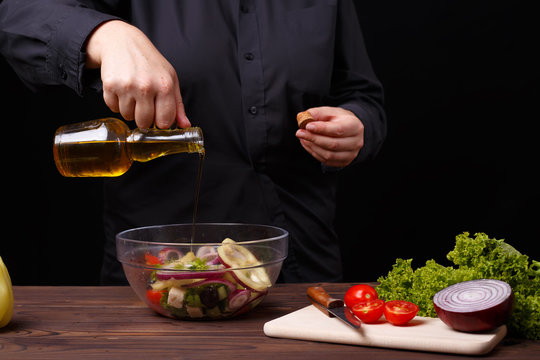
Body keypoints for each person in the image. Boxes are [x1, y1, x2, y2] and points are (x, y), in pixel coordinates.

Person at [0, 0, 386, 284]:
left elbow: (363, 95)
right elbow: (15, 17)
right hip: (158, 273)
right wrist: (109, 35)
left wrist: (359, 126)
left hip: (303, 266)